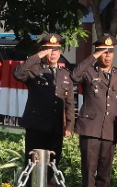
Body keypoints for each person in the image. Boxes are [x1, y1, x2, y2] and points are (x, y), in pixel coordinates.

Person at [67, 34, 117, 187]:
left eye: (110, 52)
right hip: (90, 129)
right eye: (104, 52)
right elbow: (74, 76)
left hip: (110, 131)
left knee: (105, 171)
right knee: (89, 170)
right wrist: (93, 56)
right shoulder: (90, 72)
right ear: (98, 53)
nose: (108, 55)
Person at [14, 32, 73, 176]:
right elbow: (18, 73)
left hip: (56, 127)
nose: (53, 53)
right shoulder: (35, 70)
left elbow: (69, 102)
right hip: (37, 125)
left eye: (56, 50)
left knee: (52, 165)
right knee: (32, 164)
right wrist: (38, 56)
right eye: (49, 50)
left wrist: (69, 126)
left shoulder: (65, 74)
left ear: (60, 52)